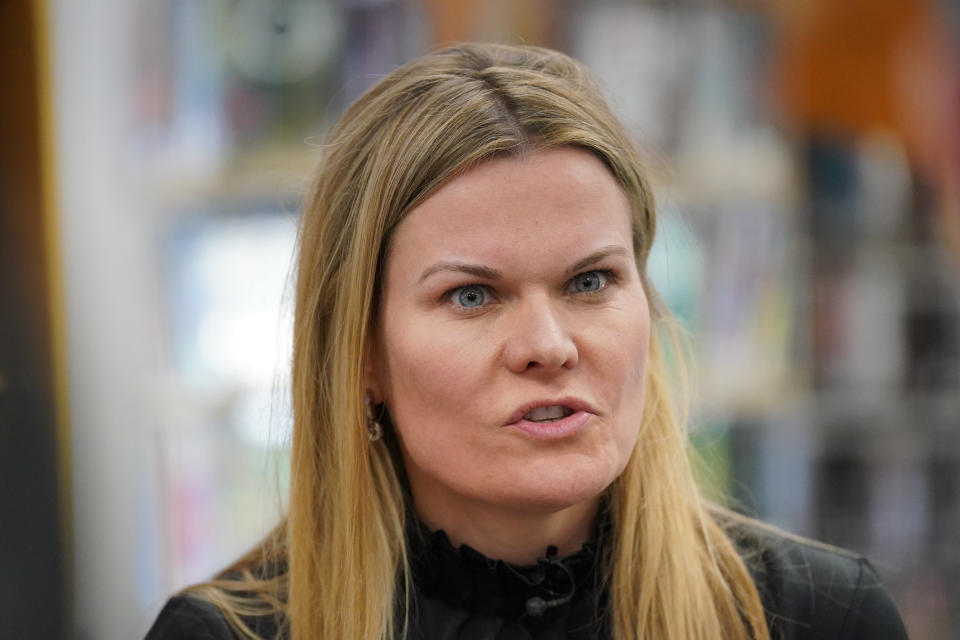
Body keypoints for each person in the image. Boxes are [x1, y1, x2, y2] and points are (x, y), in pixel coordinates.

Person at [146, 43, 909, 640]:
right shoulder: (228, 635)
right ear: (361, 356)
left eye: (589, 283)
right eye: (471, 296)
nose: (548, 346)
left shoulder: (819, 619)